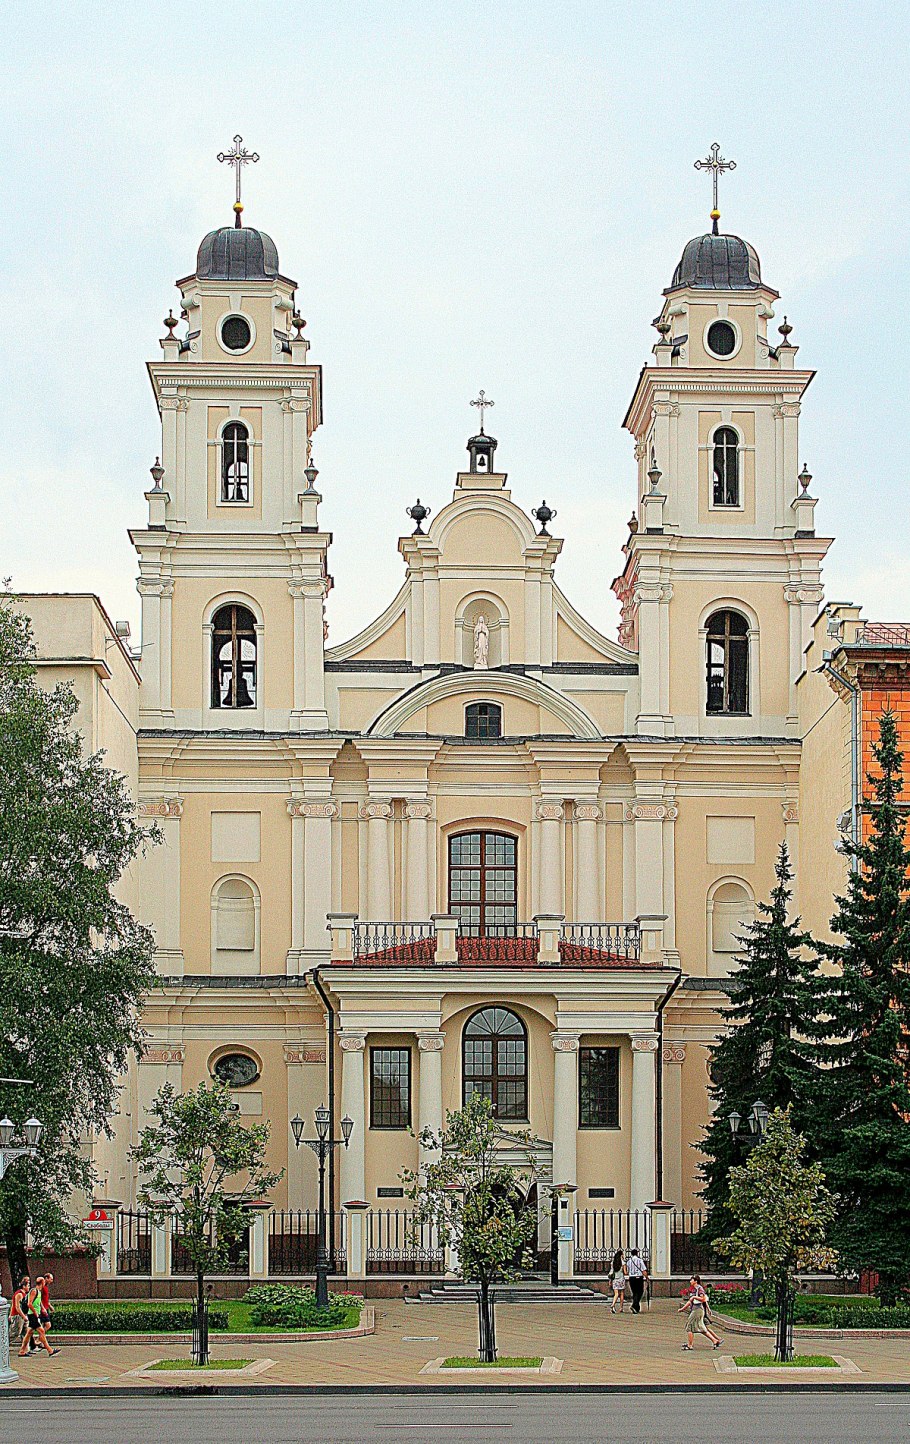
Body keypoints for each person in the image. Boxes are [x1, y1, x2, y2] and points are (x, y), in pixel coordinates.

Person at [18, 1276, 59, 1358]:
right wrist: (35, 1312)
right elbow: (29, 1304)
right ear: (42, 1283)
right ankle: (50, 1350)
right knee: (41, 1331)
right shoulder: (34, 1291)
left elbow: (38, 1302)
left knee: (29, 1333)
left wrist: (43, 1309)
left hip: (35, 1314)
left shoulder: (39, 1292)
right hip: (32, 1315)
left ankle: (22, 1351)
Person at [678, 1274, 722, 1350]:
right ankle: (715, 1340)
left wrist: (695, 1297)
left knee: (689, 1327)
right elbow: (690, 1301)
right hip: (695, 1310)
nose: (690, 1281)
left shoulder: (699, 1289)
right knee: (702, 1328)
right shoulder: (693, 1289)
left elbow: (703, 1299)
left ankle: (690, 1345)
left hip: (697, 1310)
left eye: (691, 1280)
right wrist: (683, 1309)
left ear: (695, 1281)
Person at [9, 1275, 30, 1346]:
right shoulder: (19, 1294)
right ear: (24, 1286)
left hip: (22, 1315)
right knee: (15, 1333)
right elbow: (17, 1307)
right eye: (28, 1286)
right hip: (18, 1316)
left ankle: (25, 1349)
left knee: (25, 1333)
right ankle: (3, 1344)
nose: (29, 1287)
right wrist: (24, 1316)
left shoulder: (24, 1294)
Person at [627, 1247, 649, 1313]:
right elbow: (643, 1270)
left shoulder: (629, 1261)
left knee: (634, 1292)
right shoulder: (639, 1260)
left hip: (631, 1278)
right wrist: (647, 1277)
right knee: (640, 1292)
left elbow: (627, 1271)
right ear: (637, 1253)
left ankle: (636, 1308)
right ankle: (634, 1305)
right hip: (638, 1278)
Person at [609, 1248, 628, 1314]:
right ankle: (621, 1307)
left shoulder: (613, 1263)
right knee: (622, 1293)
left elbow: (611, 1272)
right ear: (621, 1255)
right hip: (621, 1279)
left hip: (615, 1280)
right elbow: (625, 1272)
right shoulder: (623, 1263)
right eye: (623, 1254)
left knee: (616, 1294)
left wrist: (610, 1281)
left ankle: (613, 1304)